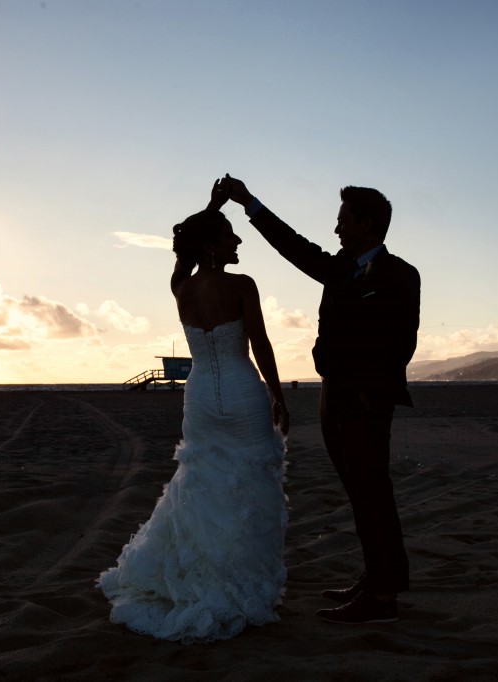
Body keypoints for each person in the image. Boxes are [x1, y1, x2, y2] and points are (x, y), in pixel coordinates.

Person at [219, 174, 420, 625]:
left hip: (366, 401)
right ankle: (376, 577)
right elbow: (292, 245)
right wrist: (249, 202)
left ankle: (384, 596)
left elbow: (401, 342)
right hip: (334, 394)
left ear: (367, 224)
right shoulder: (339, 269)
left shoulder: (399, 274)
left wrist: (371, 392)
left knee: (374, 493)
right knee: (358, 492)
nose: (336, 230)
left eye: (343, 221)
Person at [97, 181, 290, 643]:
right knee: (248, 484)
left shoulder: (181, 287)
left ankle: (205, 575)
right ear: (211, 244)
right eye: (229, 234)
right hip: (243, 393)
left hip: (200, 394)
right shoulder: (243, 285)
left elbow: (183, 256)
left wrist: (212, 208)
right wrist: (278, 395)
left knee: (202, 484)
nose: (238, 240)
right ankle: (237, 581)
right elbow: (259, 343)